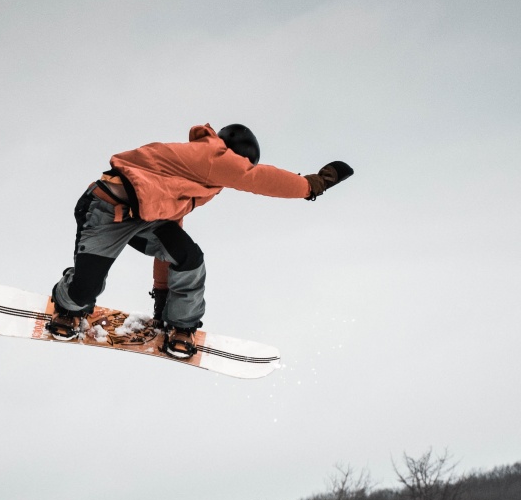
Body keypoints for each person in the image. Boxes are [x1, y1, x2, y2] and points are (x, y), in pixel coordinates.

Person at [48, 123, 353, 359]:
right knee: (84, 291)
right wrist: (312, 185)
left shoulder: (198, 179)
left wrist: (164, 298)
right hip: (104, 210)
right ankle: (69, 303)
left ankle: (181, 324)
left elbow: (170, 239)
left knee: (188, 258)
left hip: (147, 218)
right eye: (239, 167)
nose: (234, 176)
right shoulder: (212, 154)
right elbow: (258, 178)